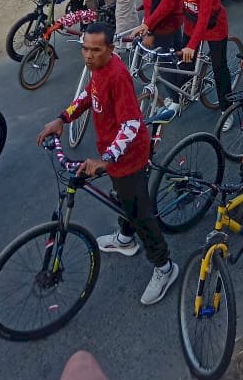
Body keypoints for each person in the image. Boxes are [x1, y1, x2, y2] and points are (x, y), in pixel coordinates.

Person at [37, 21, 179, 306]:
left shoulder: (117, 75)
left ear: (111, 49)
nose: (88, 55)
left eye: (96, 50)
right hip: (112, 153)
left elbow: (130, 124)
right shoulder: (98, 70)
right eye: (85, 49)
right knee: (123, 199)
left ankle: (165, 267)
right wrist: (62, 118)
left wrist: (106, 159)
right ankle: (125, 239)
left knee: (140, 213)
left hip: (128, 157)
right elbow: (88, 96)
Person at [175, 0, 232, 112]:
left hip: (214, 27)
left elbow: (204, 18)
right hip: (192, 23)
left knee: (219, 68)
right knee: (186, 62)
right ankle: (181, 95)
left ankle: (227, 108)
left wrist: (192, 46)